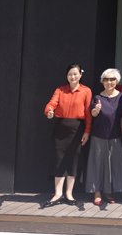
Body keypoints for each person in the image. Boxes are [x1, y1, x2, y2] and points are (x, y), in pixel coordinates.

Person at [43, 63, 92, 207]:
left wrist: (87, 131)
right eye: (70, 74)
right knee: (59, 159)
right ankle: (58, 194)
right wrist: (49, 111)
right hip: (61, 128)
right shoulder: (60, 90)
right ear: (67, 76)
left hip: (77, 128)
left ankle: (69, 193)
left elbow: (88, 113)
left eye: (75, 74)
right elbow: (52, 103)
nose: (73, 76)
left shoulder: (86, 91)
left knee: (73, 160)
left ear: (80, 75)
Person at [85, 68, 122, 206]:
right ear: (102, 81)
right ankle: (97, 192)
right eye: (106, 79)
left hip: (115, 136)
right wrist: (96, 110)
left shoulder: (121, 97)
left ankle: (109, 192)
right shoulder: (97, 97)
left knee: (113, 165)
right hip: (98, 136)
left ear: (117, 81)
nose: (109, 82)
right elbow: (93, 113)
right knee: (97, 165)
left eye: (112, 79)